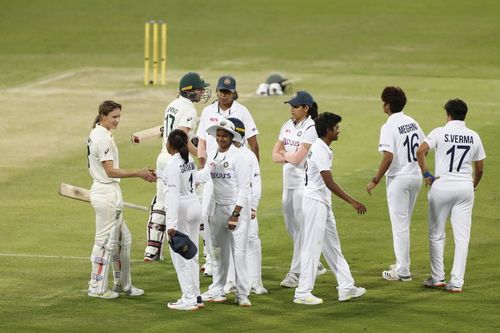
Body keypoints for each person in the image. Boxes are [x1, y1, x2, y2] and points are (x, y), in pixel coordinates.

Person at [293, 112, 367, 305]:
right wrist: (352, 201)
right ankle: (302, 293)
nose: (338, 130)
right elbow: (329, 182)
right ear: (328, 130)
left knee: (333, 247)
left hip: (321, 202)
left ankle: (346, 287)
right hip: (315, 202)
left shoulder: (321, 147)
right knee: (312, 247)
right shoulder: (320, 149)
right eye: (336, 127)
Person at [87, 100, 157, 299]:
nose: (117, 120)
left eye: (119, 116)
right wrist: (139, 173)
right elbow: (110, 171)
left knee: (122, 239)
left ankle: (123, 285)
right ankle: (96, 287)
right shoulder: (102, 139)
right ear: (103, 116)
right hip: (106, 193)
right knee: (104, 241)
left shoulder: (99, 133)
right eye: (114, 117)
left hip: (109, 192)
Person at [416, 98, 485, 293]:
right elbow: (479, 169)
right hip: (464, 187)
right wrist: (473, 185)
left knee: (437, 234)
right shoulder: (474, 136)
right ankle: (456, 282)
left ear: (448, 115)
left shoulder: (439, 132)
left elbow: (420, 151)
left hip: (442, 186)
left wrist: (427, 175)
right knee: (462, 237)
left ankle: (437, 278)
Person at [196, 75, 260, 276]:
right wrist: (203, 165)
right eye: (221, 92)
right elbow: (202, 141)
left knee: (235, 225)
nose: (223, 95)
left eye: (227, 92)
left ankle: (235, 273)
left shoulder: (242, 111)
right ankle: (212, 261)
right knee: (206, 217)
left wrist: (253, 168)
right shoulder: (207, 111)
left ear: (234, 93)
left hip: (233, 173)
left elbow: (253, 142)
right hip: (212, 172)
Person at [144, 72, 210, 262]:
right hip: (178, 160)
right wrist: (200, 154)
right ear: (189, 92)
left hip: (163, 157)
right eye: (199, 89)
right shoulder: (189, 109)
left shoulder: (172, 104)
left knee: (162, 202)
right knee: (197, 202)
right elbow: (181, 138)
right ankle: (209, 254)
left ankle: (152, 250)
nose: (201, 92)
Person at [366, 86, 425, 282]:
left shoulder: (388, 126)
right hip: (415, 177)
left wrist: (376, 179)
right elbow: (424, 148)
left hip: (399, 180)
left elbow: (388, 157)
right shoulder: (412, 122)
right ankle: (402, 262)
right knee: (404, 223)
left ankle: (403, 271)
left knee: (399, 225)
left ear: (387, 105)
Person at [272, 91, 326, 288]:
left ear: (306, 108)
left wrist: (285, 155)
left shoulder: (312, 128)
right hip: (288, 185)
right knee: (292, 228)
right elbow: (274, 154)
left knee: (302, 230)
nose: (292, 109)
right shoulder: (287, 125)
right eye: (291, 105)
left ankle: (295, 273)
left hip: (304, 186)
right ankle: (315, 263)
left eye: (296, 106)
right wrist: (288, 155)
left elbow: (296, 159)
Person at [197, 119, 252, 307]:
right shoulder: (213, 155)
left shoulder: (240, 158)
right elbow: (204, 175)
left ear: (231, 137)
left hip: (236, 210)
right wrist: (181, 175)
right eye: (218, 135)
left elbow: (245, 189)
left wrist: (235, 215)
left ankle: (243, 294)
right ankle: (217, 289)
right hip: (217, 209)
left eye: (224, 135)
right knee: (218, 253)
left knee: (240, 253)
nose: (220, 138)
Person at [223, 118, 267, 295]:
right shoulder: (221, 153)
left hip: (246, 205)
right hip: (226, 206)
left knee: (251, 240)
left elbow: (255, 183)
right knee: (228, 243)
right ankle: (230, 281)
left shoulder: (248, 156)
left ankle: (255, 281)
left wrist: (254, 206)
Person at [163, 129, 203, 310]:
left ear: (169, 145)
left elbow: (173, 195)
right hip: (195, 205)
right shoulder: (189, 159)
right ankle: (196, 295)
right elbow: (192, 180)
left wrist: (171, 225)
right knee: (192, 252)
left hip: (181, 211)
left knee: (181, 255)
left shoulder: (172, 163)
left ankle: (188, 299)